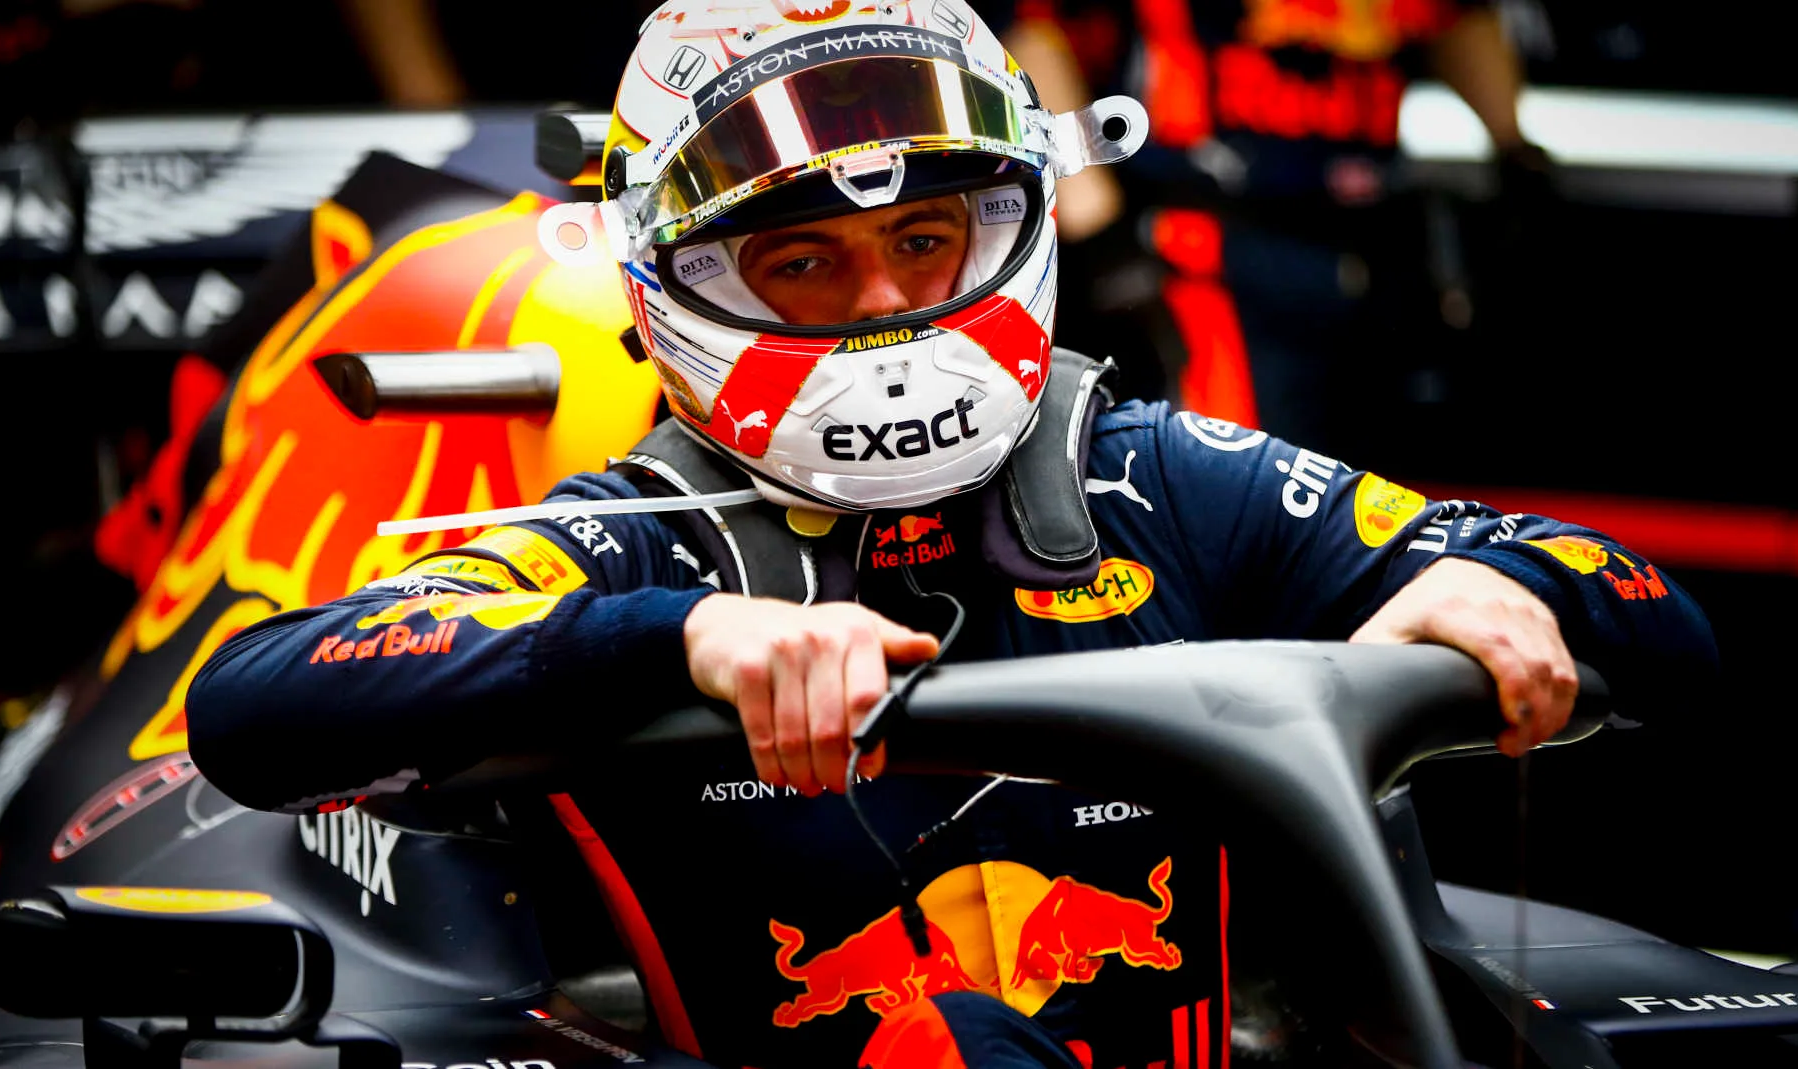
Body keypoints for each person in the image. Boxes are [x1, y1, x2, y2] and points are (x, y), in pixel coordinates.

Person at [184, 3, 1717, 1068]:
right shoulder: (635, 544)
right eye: (804, 262)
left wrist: (1495, 583)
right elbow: (257, 702)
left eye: (926, 240)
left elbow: (1646, 606)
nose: (884, 306)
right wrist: (683, 644)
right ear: (671, 290)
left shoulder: (1153, 475)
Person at [982, 0, 1550, 450]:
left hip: (1368, 245)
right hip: (1205, 249)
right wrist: (1090, 215)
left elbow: (1455, 16)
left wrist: (1514, 151)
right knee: (1231, 480)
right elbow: (1031, 28)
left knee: (1361, 505)